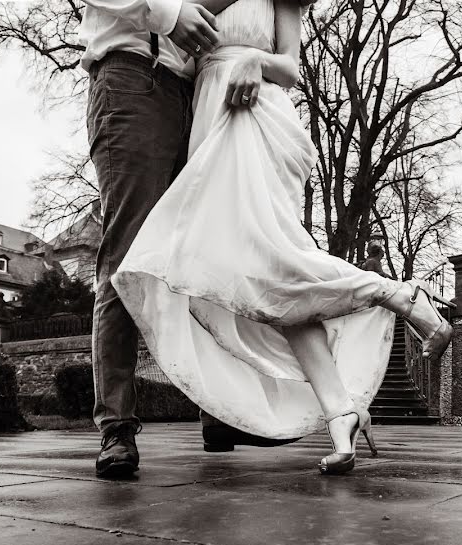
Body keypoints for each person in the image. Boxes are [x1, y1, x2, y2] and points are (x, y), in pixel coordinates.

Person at [111, 0, 454, 476]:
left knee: (274, 260)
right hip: (209, 114)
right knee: (269, 276)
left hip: (255, 112)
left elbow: (290, 66)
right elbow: (169, 38)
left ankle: (393, 293)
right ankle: (341, 412)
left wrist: (254, 60)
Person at [82, 0, 300, 478]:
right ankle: (116, 425)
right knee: (127, 252)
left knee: (206, 252)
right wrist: (168, 14)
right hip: (134, 77)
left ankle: (219, 412)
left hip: (199, 91)